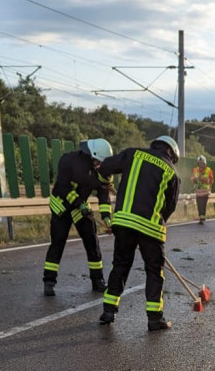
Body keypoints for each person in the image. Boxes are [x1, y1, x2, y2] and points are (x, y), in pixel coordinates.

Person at [97, 135, 181, 331]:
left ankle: (108, 311)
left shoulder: (132, 154)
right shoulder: (172, 173)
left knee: (120, 266)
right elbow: (170, 207)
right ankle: (154, 318)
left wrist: (105, 182)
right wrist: (159, 223)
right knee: (154, 272)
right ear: (170, 153)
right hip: (151, 227)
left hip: (124, 223)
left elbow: (105, 168)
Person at [42, 138, 113, 297]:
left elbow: (103, 195)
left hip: (80, 207)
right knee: (58, 242)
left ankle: (98, 280)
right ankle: (49, 281)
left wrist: (107, 217)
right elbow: (63, 187)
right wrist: (80, 204)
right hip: (61, 204)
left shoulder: (102, 171)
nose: (99, 165)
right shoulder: (69, 161)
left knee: (92, 242)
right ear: (91, 155)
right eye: (98, 162)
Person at [190, 155, 214, 224]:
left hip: (205, 192)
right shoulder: (195, 169)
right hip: (198, 191)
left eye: (202, 163)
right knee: (199, 204)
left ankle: (202, 218)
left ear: (205, 163)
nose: (201, 164)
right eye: (200, 163)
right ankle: (201, 216)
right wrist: (194, 179)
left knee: (203, 204)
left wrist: (203, 179)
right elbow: (192, 178)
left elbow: (211, 180)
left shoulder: (208, 170)